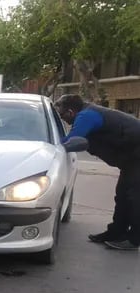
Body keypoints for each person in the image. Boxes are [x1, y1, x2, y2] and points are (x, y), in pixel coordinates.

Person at [55, 94, 140, 250]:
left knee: (134, 198)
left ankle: (134, 240)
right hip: (131, 160)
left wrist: (47, 145)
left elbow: (71, 140)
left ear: (71, 111)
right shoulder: (88, 112)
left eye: (62, 115)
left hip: (136, 157)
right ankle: (115, 233)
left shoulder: (86, 116)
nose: (63, 119)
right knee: (122, 196)